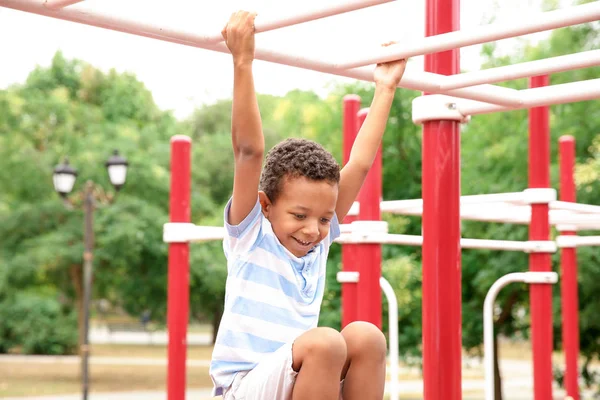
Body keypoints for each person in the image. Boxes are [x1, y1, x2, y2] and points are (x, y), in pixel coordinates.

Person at [209, 10, 407, 400]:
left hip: (293, 380)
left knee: (366, 336)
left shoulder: (318, 242)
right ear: (265, 205)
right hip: (243, 388)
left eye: (323, 218)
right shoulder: (251, 235)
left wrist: (385, 89)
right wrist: (243, 61)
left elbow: (360, 164)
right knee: (327, 343)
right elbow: (249, 152)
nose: (313, 230)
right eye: (299, 216)